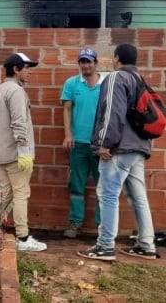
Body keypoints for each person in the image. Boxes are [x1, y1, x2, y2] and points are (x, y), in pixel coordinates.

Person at [78, 44, 158, 262]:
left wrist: (105, 143)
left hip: (119, 149)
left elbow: (112, 112)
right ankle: (146, 244)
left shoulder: (116, 78)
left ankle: (105, 247)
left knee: (108, 194)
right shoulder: (139, 79)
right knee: (138, 197)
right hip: (139, 148)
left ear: (116, 58)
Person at [0, 53, 47, 252]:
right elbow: (18, 123)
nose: (29, 72)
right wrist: (24, 151)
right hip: (15, 154)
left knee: (5, 195)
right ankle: (23, 238)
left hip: (1, 153)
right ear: (16, 69)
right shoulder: (15, 92)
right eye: (26, 68)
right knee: (21, 194)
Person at [61, 47, 104, 238]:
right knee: (76, 185)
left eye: (89, 61)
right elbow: (67, 110)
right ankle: (75, 223)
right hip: (78, 143)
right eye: (83, 61)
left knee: (103, 188)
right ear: (79, 64)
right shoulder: (72, 84)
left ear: (96, 63)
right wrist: (68, 134)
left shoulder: (106, 84)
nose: (86, 65)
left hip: (100, 145)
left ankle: (102, 227)